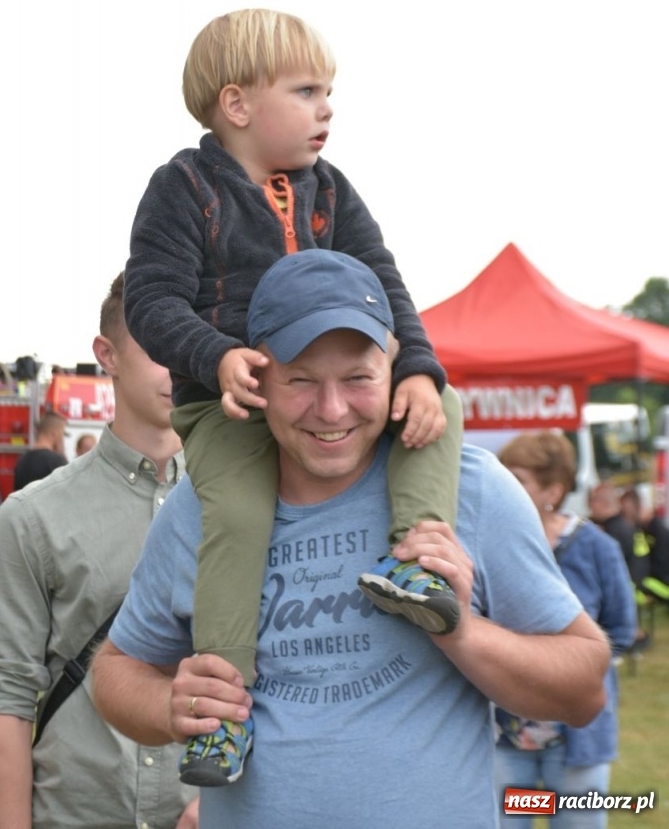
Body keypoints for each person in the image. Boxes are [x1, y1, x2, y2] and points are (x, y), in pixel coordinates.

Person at [92, 250, 610, 829]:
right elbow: (115, 670)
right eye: (302, 381)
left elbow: (584, 688)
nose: (332, 409)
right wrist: (170, 705)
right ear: (258, 374)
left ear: (395, 368)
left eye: (359, 378)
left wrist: (463, 632)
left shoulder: (473, 489)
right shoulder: (203, 504)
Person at [124, 9, 460, 783]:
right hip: (227, 401)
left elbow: (385, 282)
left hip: (324, 394)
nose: (327, 107)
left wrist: (414, 368)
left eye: (329, 90)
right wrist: (216, 358)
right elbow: (151, 300)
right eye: (307, 90)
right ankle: (221, 716)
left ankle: (418, 567)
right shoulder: (182, 187)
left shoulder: (331, 191)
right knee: (239, 515)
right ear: (237, 105)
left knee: (439, 412)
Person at [0, 274, 199, 829]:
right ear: (108, 354)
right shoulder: (32, 517)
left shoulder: (253, 505)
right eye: (158, 343)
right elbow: (6, 698)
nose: (181, 363)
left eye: (192, 342)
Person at [495, 433, 637, 829]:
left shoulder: (597, 548)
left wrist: (558, 662)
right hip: (505, 738)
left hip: (577, 737)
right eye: (500, 474)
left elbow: (622, 631)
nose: (502, 484)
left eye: (516, 478)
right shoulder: (490, 543)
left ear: (552, 491)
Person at [13, 410, 69, 490]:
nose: (62, 438)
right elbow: (68, 490)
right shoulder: (56, 460)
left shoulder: (22, 460)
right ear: (54, 433)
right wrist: (61, 452)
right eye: (62, 433)